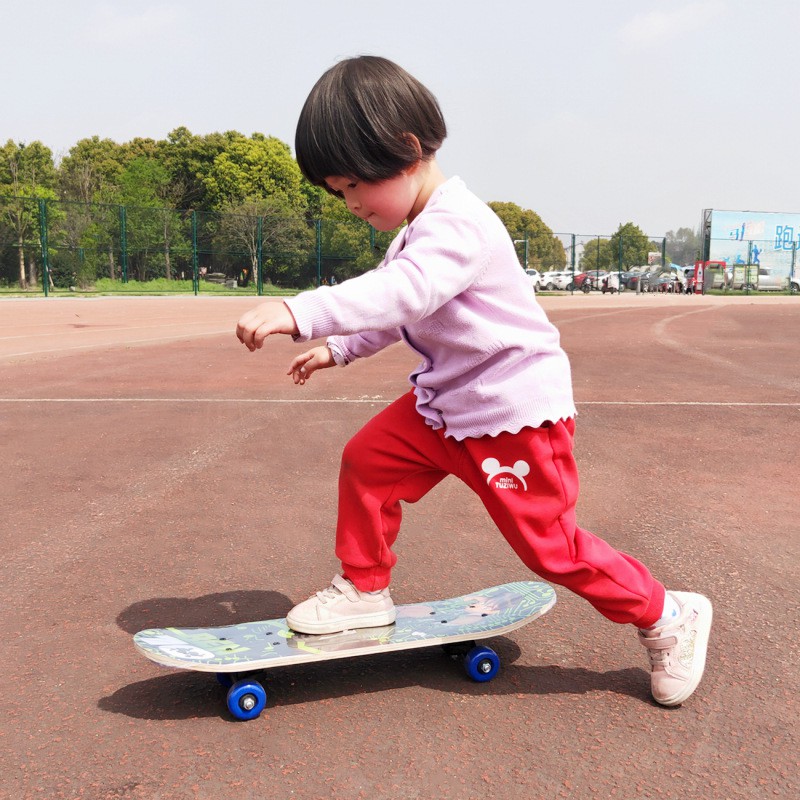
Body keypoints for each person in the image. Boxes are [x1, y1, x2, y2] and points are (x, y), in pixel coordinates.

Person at [235, 56, 712, 707]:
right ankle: (365, 590)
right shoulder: (416, 234)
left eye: (352, 187)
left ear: (404, 150)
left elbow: (403, 292)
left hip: (512, 416)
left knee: (553, 550)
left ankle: (666, 615)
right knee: (368, 461)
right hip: (444, 408)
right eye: (338, 193)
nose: (349, 205)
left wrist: (302, 312)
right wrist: (340, 347)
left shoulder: (458, 226)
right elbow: (404, 308)